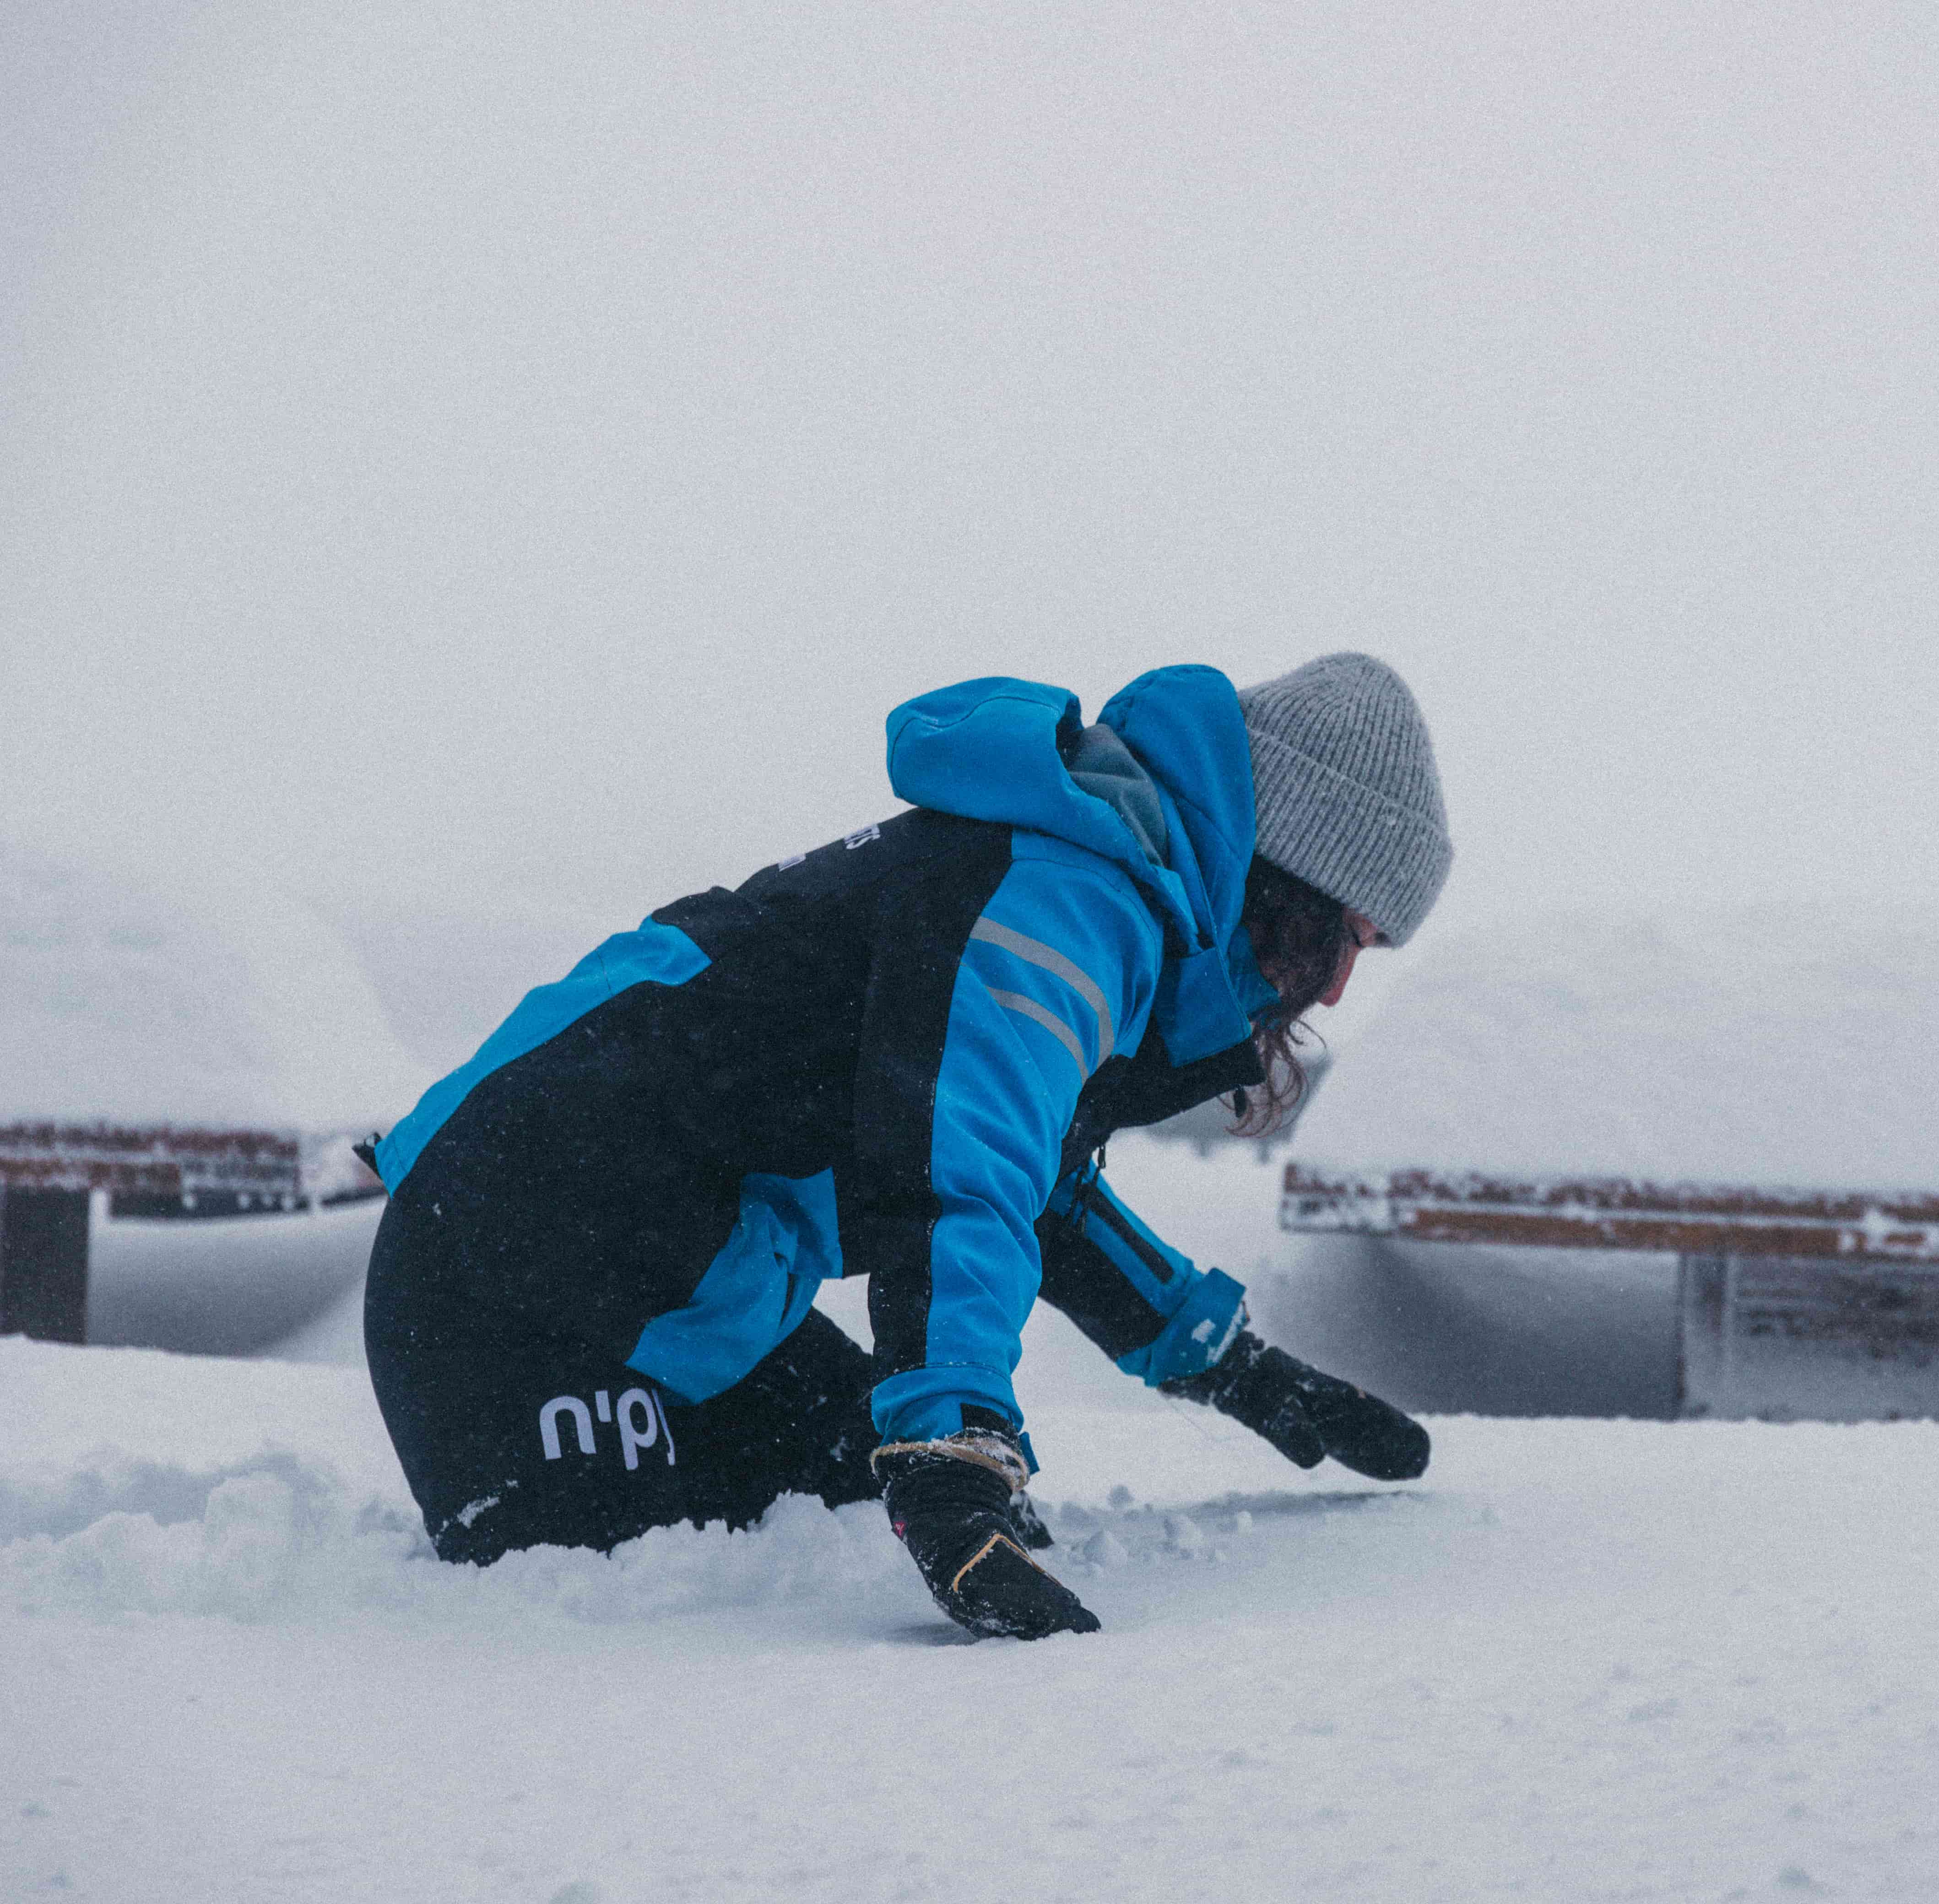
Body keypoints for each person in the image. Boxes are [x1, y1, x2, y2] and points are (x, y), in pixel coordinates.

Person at [360, 653, 1450, 1639]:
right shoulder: (1066, 898)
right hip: (508, 1269)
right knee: (663, 1622)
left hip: (663, 1285)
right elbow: (958, 1177)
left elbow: (1033, 1181)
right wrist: (952, 1455)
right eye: (1338, 934)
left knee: (850, 1519)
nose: (1340, 985)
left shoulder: (1096, 881)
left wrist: (1229, 1365)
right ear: (1278, 868)